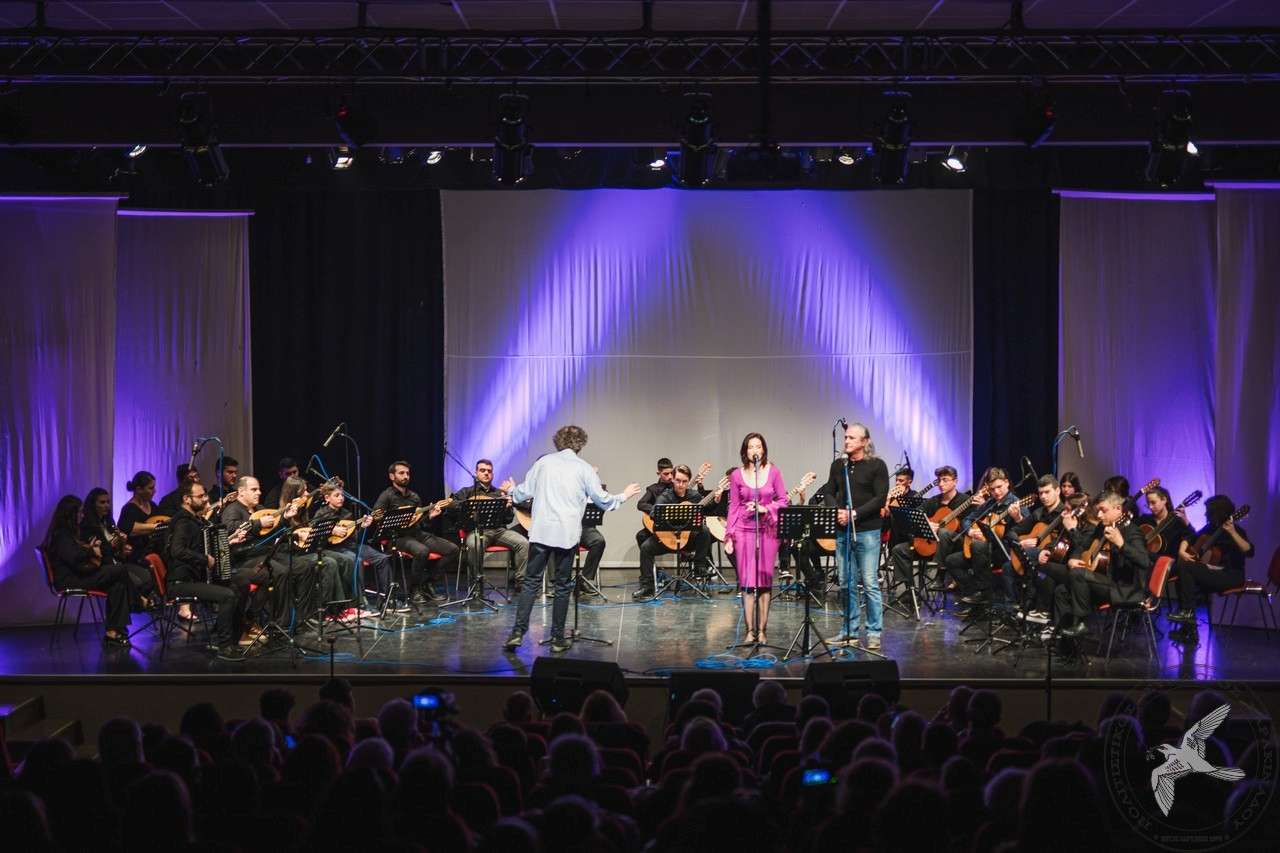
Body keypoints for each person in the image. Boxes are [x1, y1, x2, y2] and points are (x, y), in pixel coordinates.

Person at [502, 425, 640, 653]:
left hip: (541, 532)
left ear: (557, 442)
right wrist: (623, 495)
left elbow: (522, 493)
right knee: (562, 586)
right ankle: (557, 639)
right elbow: (603, 500)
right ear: (581, 444)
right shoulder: (584, 469)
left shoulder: (543, 463)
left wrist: (511, 490)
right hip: (566, 535)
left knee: (530, 582)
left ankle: (517, 633)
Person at [824, 422, 889, 649]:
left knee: (869, 582)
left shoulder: (877, 465)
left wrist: (854, 514)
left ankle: (874, 632)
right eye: (846, 437)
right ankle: (849, 631)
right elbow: (829, 491)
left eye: (852, 437)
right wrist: (836, 511)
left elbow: (880, 498)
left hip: (868, 531)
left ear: (865, 441)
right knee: (845, 582)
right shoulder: (839, 465)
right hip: (843, 531)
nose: (847, 441)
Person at [42, 495, 137, 647]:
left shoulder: (66, 533)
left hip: (77, 575)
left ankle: (112, 633)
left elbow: (75, 554)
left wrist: (90, 548)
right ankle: (138, 601)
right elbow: (74, 558)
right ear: (70, 515)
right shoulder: (61, 535)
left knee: (117, 585)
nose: (82, 515)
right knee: (119, 570)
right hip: (70, 580)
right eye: (79, 512)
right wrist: (92, 551)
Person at [725, 433, 792, 646]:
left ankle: (762, 631)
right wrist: (729, 535)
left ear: (764, 450)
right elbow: (733, 506)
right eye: (751, 447)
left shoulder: (774, 472)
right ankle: (749, 631)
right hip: (744, 531)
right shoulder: (736, 475)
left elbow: (783, 500)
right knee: (747, 582)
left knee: (764, 582)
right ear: (745, 451)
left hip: (767, 531)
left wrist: (765, 508)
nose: (755, 450)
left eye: (758, 446)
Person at [165, 480, 245, 657]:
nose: (205, 499)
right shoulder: (183, 522)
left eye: (205, 495)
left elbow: (203, 545)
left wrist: (228, 541)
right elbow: (177, 550)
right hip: (181, 582)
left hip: (195, 579)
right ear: (187, 499)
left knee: (239, 586)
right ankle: (224, 646)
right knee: (227, 595)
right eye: (200, 496)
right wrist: (204, 559)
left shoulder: (196, 520)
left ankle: (226, 638)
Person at [1168, 494, 1254, 641]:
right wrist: (1182, 550)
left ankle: (1188, 621)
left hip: (1231, 575)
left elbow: (1250, 552)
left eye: (1208, 511)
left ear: (1216, 513)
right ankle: (1188, 627)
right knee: (1180, 572)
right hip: (1214, 572)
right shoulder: (1211, 527)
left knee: (1185, 569)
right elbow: (1192, 538)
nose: (1205, 514)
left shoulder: (1237, 530)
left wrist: (1232, 532)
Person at [373, 461, 460, 605]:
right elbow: (376, 516)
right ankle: (414, 590)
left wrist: (430, 516)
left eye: (407, 473)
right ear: (392, 476)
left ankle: (428, 583)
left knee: (453, 550)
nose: (406, 476)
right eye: (401, 473)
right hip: (396, 538)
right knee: (422, 551)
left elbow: (422, 524)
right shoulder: (386, 495)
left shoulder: (414, 497)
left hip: (417, 534)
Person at [634, 464, 715, 601]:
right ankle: (647, 586)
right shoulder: (665, 496)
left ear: (688, 481)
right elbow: (653, 513)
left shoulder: (694, 496)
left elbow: (707, 511)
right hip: (668, 539)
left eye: (684, 481)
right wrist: (667, 512)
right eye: (678, 481)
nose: (680, 485)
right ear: (673, 479)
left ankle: (699, 567)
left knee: (704, 530)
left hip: (687, 540)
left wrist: (716, 500)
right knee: (645, 548)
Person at [452, 459, 530, 589]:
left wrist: (507, 508)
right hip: (476, 531)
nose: (486, 473)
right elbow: (452, 508)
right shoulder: (466, 492)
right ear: (476, 473)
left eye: (489, 471)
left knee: (524, 544)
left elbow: (508, 520)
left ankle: (521, 583)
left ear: (492, 474)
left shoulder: (499, 493)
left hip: (499, 531)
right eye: (482, 470)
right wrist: (465, 507)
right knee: (474, 545)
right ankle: (476, 584)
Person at [79, 487, 155, 611]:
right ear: (93, 505)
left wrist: (122, 546)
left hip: (117, 563)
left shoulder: (108, 522)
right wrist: (112, 546)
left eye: (108, 502)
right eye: (102, 502)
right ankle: (138, 602)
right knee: (133, 581)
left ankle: (135, 604)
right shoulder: (87, 526)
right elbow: (97, 552)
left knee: (147, 576)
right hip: (103, 567)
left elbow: (117, 552)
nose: (106, 506)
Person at [117, 470, 162, 554]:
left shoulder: (152, 505)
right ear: (139, 489)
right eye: (151, 488)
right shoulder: (129, 509)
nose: (154, 491)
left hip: (154, 550)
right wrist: (157, 526)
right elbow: (129, 529)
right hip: (137, 553)